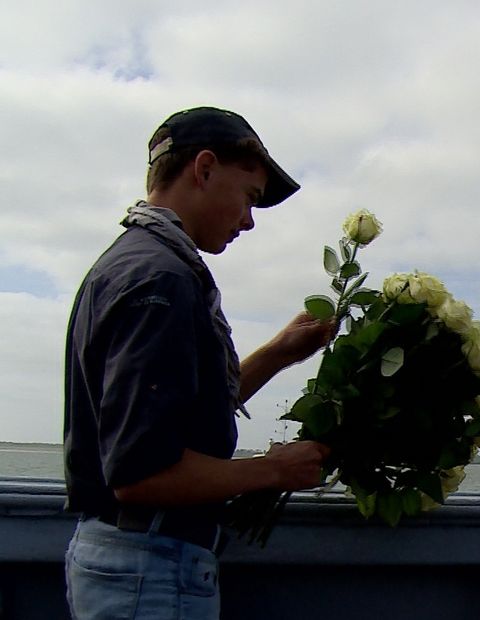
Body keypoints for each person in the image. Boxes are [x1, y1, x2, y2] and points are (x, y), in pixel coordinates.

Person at [63, 106, 332, 619]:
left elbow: (175, 416)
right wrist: (274, 469)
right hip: (150, 570)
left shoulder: (132, 260)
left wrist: (277, 354)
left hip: (129, 562)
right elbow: (141, 474)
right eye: (249, 198)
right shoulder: (160, 281)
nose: (249, 222)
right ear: (204, 168)